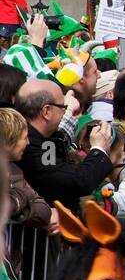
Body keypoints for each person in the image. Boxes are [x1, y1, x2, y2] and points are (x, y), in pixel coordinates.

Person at [15, 80, 115, 209]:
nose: (65, 112)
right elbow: (74, 182)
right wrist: (99, 148)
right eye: (63, 107)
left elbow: (56, 168)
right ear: (46, 112)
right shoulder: (30, 145)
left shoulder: (44, 141)